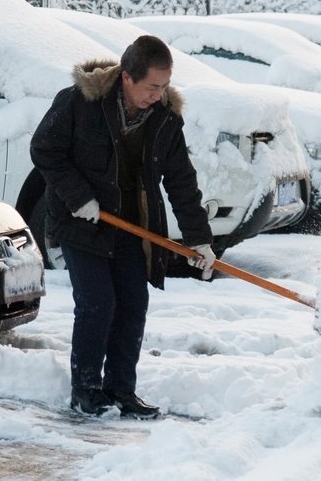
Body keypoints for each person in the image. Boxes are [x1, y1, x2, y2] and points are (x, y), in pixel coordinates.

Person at [30, 35, 216, 418]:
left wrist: (200, 240)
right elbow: (44, 150)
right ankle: (86, 390)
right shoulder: (80, 102)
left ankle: (121, 390)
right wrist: (78, 196)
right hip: (83, 222)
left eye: (164, 86)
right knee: (98, 304)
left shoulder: (165, 119)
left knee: (133, 303)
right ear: (127, 78)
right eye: (152, 87)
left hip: (130, 225)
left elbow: (181, 180)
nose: (158, 95)